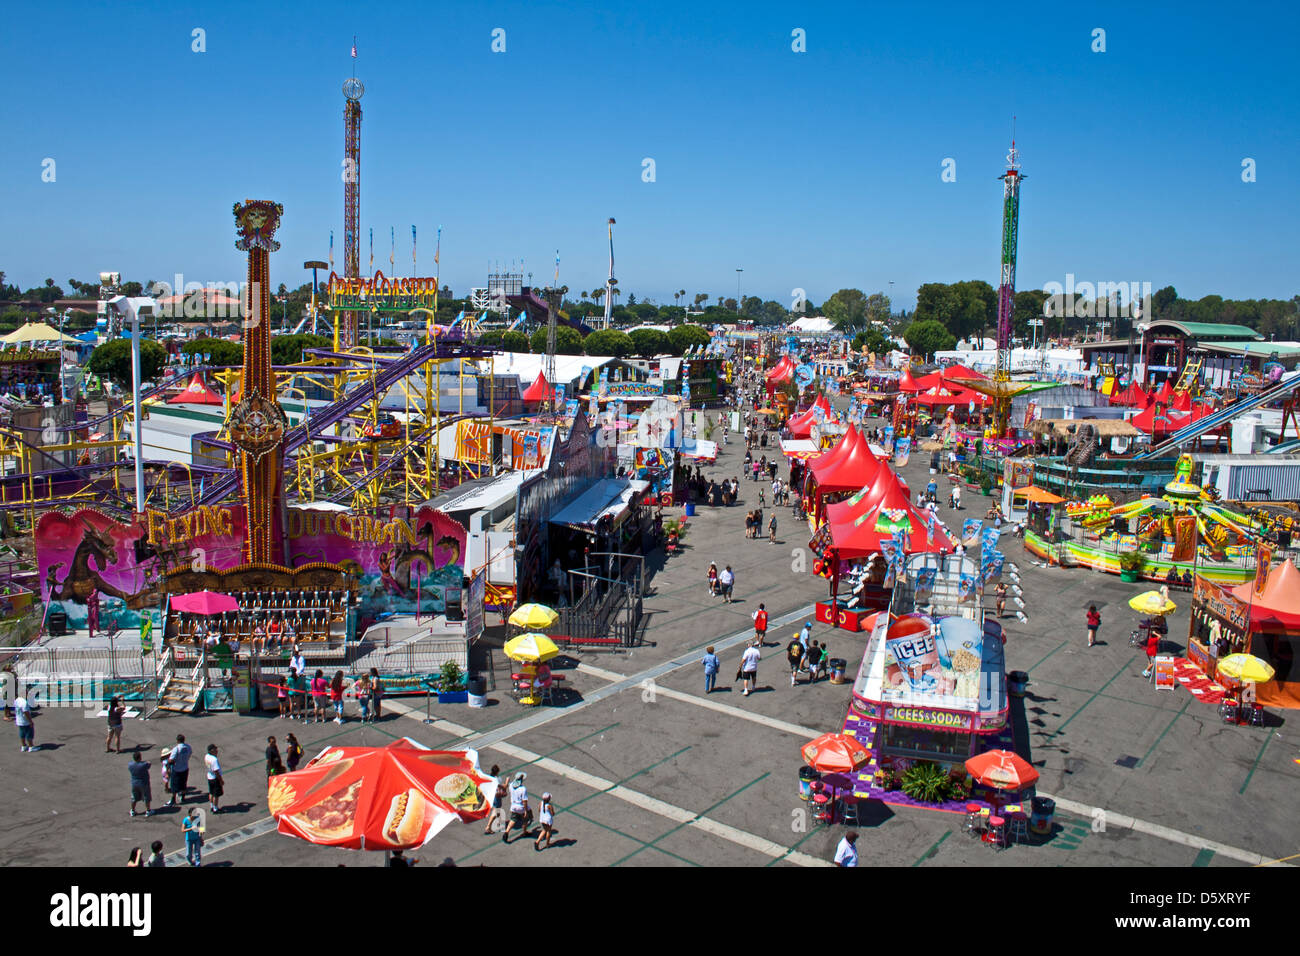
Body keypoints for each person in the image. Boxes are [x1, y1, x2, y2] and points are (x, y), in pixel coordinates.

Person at [503, 772, 530, 843]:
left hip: (513, 806)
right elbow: (524, 801)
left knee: (513, 819)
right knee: (525, 820)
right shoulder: (523, 789)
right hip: (521, 807)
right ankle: (524, 832)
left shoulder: (511, 785)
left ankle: (506, 832)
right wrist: (526, 811)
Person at [167, 734, 192, 806]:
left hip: (177, 769)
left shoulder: (176, 749)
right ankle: (183, 798)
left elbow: (171, 760)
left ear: (177, 741)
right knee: (183, 783)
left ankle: (173, 799)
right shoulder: (188, 747)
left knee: (174, 785)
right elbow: (189, 754)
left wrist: (169, 763)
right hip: (185, 768)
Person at [128, 750, 153, 817]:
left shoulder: (130, 765)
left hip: (134, 783)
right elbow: (149, 763)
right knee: (146, 797)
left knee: (134, 797)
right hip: (143, 783)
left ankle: (132, 810)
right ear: (140, 758)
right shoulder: (143, 765)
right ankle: (148, 811)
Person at [484, 765, 506, 835]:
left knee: (497, 809)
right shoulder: (497, 779)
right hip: (496, 796)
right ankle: (488, 827)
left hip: (491, 796)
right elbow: (502, 787)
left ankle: (499, 821)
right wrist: (506, 783)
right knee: (495, 811)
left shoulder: (489, 777)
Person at [205, 744, 223, 814]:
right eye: (215, 749)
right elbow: (216, 771)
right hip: (215, 778)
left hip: (210, 776)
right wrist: (221, 780)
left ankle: (212, 806)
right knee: (216, 794)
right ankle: (215, 808)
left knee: (211, 792)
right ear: (212, 750)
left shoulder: (207, 756)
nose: (217, 750)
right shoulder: (214, 759)